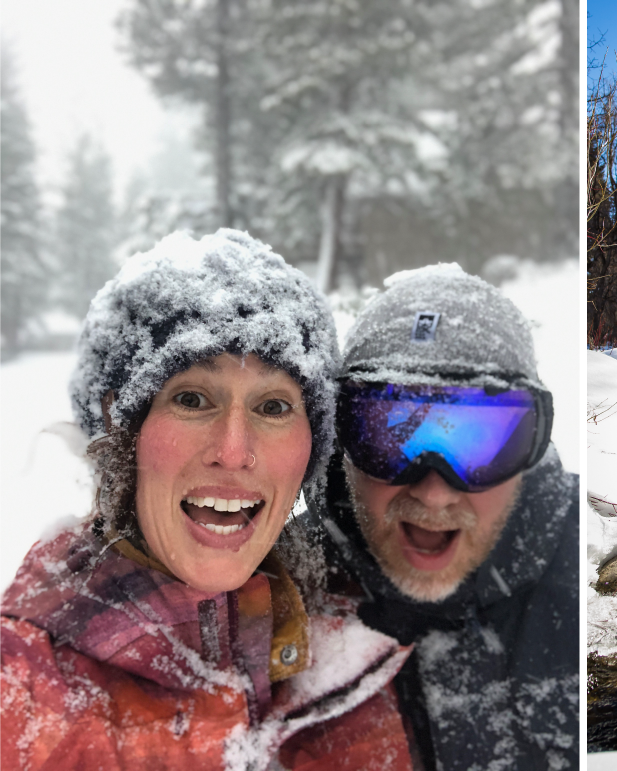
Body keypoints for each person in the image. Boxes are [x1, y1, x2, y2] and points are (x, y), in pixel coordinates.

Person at [0, 230, 412, 767]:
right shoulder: (25, 691)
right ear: (117, 428)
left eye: (273, 407)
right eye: (192, 398)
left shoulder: (356, 651)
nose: (234, 451)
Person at [310, 264, 580, 769]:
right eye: (390, 438)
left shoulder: (575, 562)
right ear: (342, 441)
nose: (435, 493)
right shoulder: (274, 591)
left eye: (478, 444)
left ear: (528, 450)